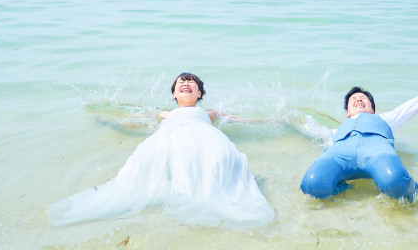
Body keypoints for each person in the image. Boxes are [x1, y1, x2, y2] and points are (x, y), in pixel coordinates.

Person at [48, 72, 274, 227]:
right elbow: (135, 119)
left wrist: (272, 121)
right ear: (174, 95)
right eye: (180, 83)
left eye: (191, 83)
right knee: (139, 169)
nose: (186, 83)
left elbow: (238, 119)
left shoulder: (209, 113)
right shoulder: (166, 113)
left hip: (206, 140)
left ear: (199, 94)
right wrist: (110, 120)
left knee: (222, 161)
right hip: (169, 141)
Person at [299, 66, 418, 202]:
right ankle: (341, 186)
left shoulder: (387, 120)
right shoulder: (336, 132)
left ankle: (411, 189)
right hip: (340, 157)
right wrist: (285, 118)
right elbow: (308, 128)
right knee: (311, 185)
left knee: (396, 183)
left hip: (378, 155)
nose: (359, 100)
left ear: (373, 108)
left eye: (363, 98)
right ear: (347, 112)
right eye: (354, 99)